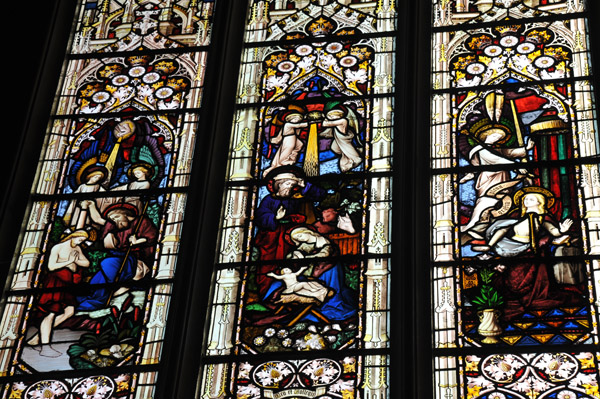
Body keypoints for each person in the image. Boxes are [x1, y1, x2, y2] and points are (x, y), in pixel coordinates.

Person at [479, 187, 583, 319]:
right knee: (510, 279)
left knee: (521, 279)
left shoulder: (543, 219)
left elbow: (553, 231)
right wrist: (489, 246)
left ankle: (530, 297)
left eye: (531, 198)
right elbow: (502, 230)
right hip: (511, 249)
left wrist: (561, 230)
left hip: (529, 252)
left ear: (540, 202)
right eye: (526, 198)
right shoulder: (515, 217)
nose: (527, 200)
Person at [254, 166, 326, 295]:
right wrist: (275, 218)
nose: (290, 187)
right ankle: (268, 292)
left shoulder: (296, 198)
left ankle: (293, 286)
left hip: (291, 233)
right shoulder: (269, 200)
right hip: (272, 237)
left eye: (293, 184)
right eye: (287, 184)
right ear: (278, 185)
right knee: (269, 264)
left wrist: (305, 186)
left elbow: (320, 195)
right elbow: (260, 217)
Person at [76, 202, 157, 311]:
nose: (115, 221)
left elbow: (151, 237)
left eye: (116, 217)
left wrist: (137, 241)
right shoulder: (117, 227)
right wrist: (90, 206)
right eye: (113, 219)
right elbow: (98, 220)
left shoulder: (142, 222)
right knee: (99, 277)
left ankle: (101, 297)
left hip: (138, 258)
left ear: (125, 214)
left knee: (108, 264)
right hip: (123, 257)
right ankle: (93, 297)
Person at [459, 123, 534, 237]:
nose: (497, 139)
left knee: (502, 199)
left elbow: (510, 152)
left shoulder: (496, 149)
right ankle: (473, 225)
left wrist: (525, 149)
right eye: (495, 136)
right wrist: (516, 166)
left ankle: (492, 226)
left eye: (499, 138)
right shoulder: (481, 150)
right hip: (489, 178)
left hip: (502, 176)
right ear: (486, 136)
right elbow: (496, 160)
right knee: (487, 200)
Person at [28, 230, 91, 357]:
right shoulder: (59, 247)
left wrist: (76, 260)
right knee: (51, 313)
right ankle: (45, 347)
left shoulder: (77, 248)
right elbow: (51, 266)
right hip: (55, 282)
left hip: (68, 284)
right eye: (80, 239)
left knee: (70, 311)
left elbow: (86, 263)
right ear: (73, 236)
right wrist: (69, 261)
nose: (80, 242)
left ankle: (37, 339)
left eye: (82, 241)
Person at [262, 113, 308, 177]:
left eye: (298, 119)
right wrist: (310, 123)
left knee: (298, 146)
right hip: (289, 137)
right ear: (290, 119)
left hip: (294, 137)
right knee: (288, 148)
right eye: (295, 119)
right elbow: (299, 125)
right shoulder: (288, 124)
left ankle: (291, 160)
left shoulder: (296, 126)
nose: (296, 120)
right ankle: (283, 161)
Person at [267, 266, 331, 303]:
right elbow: (277, 277)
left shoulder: (293, 274)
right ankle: (313, 289)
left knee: (309, 283)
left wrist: (302, 269)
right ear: (283, 273)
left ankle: (317, 289)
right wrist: (272, 275)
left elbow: (298, 273)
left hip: (296, 285)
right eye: (286, 270)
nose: (288, 269)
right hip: (291, 288)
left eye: (288, 269)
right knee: (303, 284)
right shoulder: (284, 276)